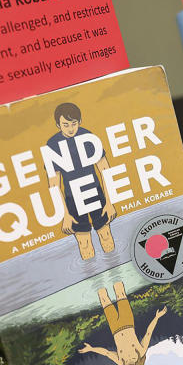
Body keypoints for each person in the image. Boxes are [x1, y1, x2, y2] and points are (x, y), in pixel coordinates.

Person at [46, 102, 117, 260]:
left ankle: (119, 283)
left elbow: (105, 169)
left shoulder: (88, 136)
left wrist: (109, 202)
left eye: (74, 124)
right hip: (73, 199)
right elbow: (53, 183)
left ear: (80, 121)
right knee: (84, 243)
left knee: (105, 235)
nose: (70, 129)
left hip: (95, 192)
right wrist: (65, 214)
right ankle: (97, 284)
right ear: (58, 124)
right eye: (65, 125)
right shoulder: (52, 145)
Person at [79, 280, 167, 365]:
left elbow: (106, 353)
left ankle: (95, 277)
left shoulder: (120, 361)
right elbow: (148, 332)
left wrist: (91, 349)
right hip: (128, 322)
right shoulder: (141, 352)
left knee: (103, 298)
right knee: (119, 290)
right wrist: (157, 317)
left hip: (115, 327)